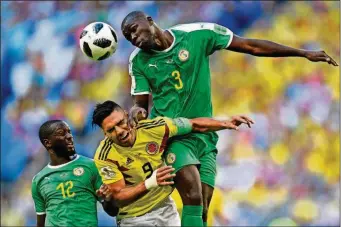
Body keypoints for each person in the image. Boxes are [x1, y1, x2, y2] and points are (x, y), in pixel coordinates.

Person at [121, 10, 338, 227]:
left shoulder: (198, 34)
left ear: (149, 21)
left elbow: (250, 46)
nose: (133, 38)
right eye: (128, 37)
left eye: (133, 30)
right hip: (172, 135)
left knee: (203, 208)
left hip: (205, 136)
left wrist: (302, 53)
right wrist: (136, 113)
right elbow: (140, 105)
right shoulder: (138, 61)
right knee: (193, 197)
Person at [91, 100, 253, 226]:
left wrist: (225, 122)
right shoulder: (104, 155)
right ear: (104, 133)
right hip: (134, 218)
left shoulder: (154, 128)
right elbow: (118, 197)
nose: (119, 131)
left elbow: (194, 124)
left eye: (120, 123)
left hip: (166, 208)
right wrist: (150, 183)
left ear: (126, 115)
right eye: (111, 130)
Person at [31, 120, 118, 227]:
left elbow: (113, 211)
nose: (69, 136)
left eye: (69, 132)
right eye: (61, 133)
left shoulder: (91, 166)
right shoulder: (38, 180)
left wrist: (108, 199)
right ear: (48, 143)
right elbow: (41, 223)